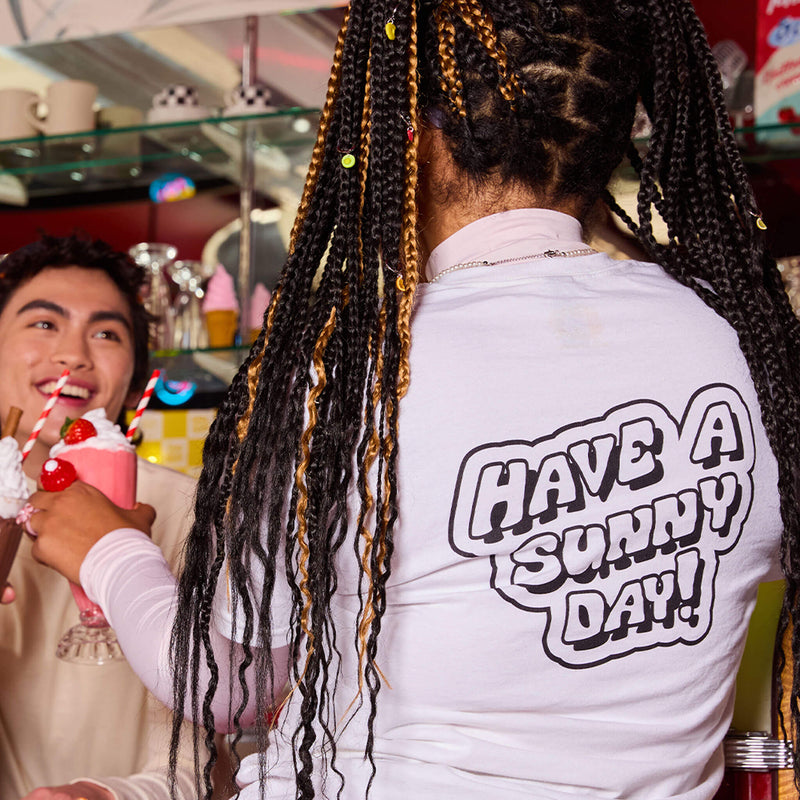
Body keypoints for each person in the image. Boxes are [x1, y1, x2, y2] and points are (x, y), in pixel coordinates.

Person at [24, 1, 800, 799]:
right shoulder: (749, 347)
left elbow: (227, 685)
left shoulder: (352, 367)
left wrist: (105, 549)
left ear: (413, 131)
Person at [0, 234, 208, 800]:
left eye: (106, 333)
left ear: (135, 372)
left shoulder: (190, 513)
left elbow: (199, 752)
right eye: (44, 324)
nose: (73, 354)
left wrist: (110, 795)